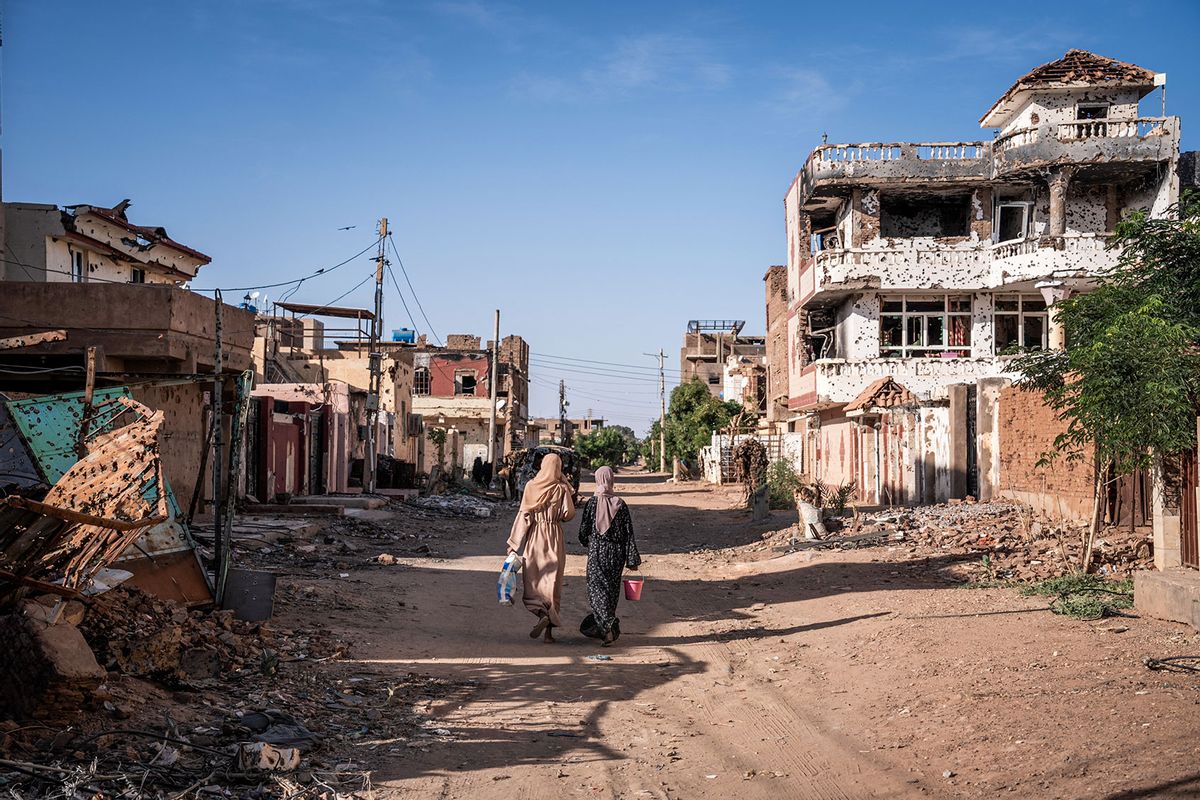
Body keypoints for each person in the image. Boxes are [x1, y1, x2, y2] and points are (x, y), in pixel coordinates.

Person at [506, 453, 576, 642]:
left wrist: (514, 543)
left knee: (533, 580)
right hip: (554, 537)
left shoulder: (531, 486)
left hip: (535, 538)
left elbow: (523, 516)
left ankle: (540, 613)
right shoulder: (561, 489)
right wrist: (566, 487)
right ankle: (548, 634)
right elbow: (569, 514)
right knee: (552, 583)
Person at [577, 466, 641, 646]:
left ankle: (608, 627)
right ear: (611, 480)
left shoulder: (592, 503)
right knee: (611, 592)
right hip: (617, 554)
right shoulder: (620, 504)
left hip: (597, 551)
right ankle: (607, 624)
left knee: (596, 590)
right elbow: (629, 534)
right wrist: (632, 560)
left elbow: (584, 531)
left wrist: (585, 542)